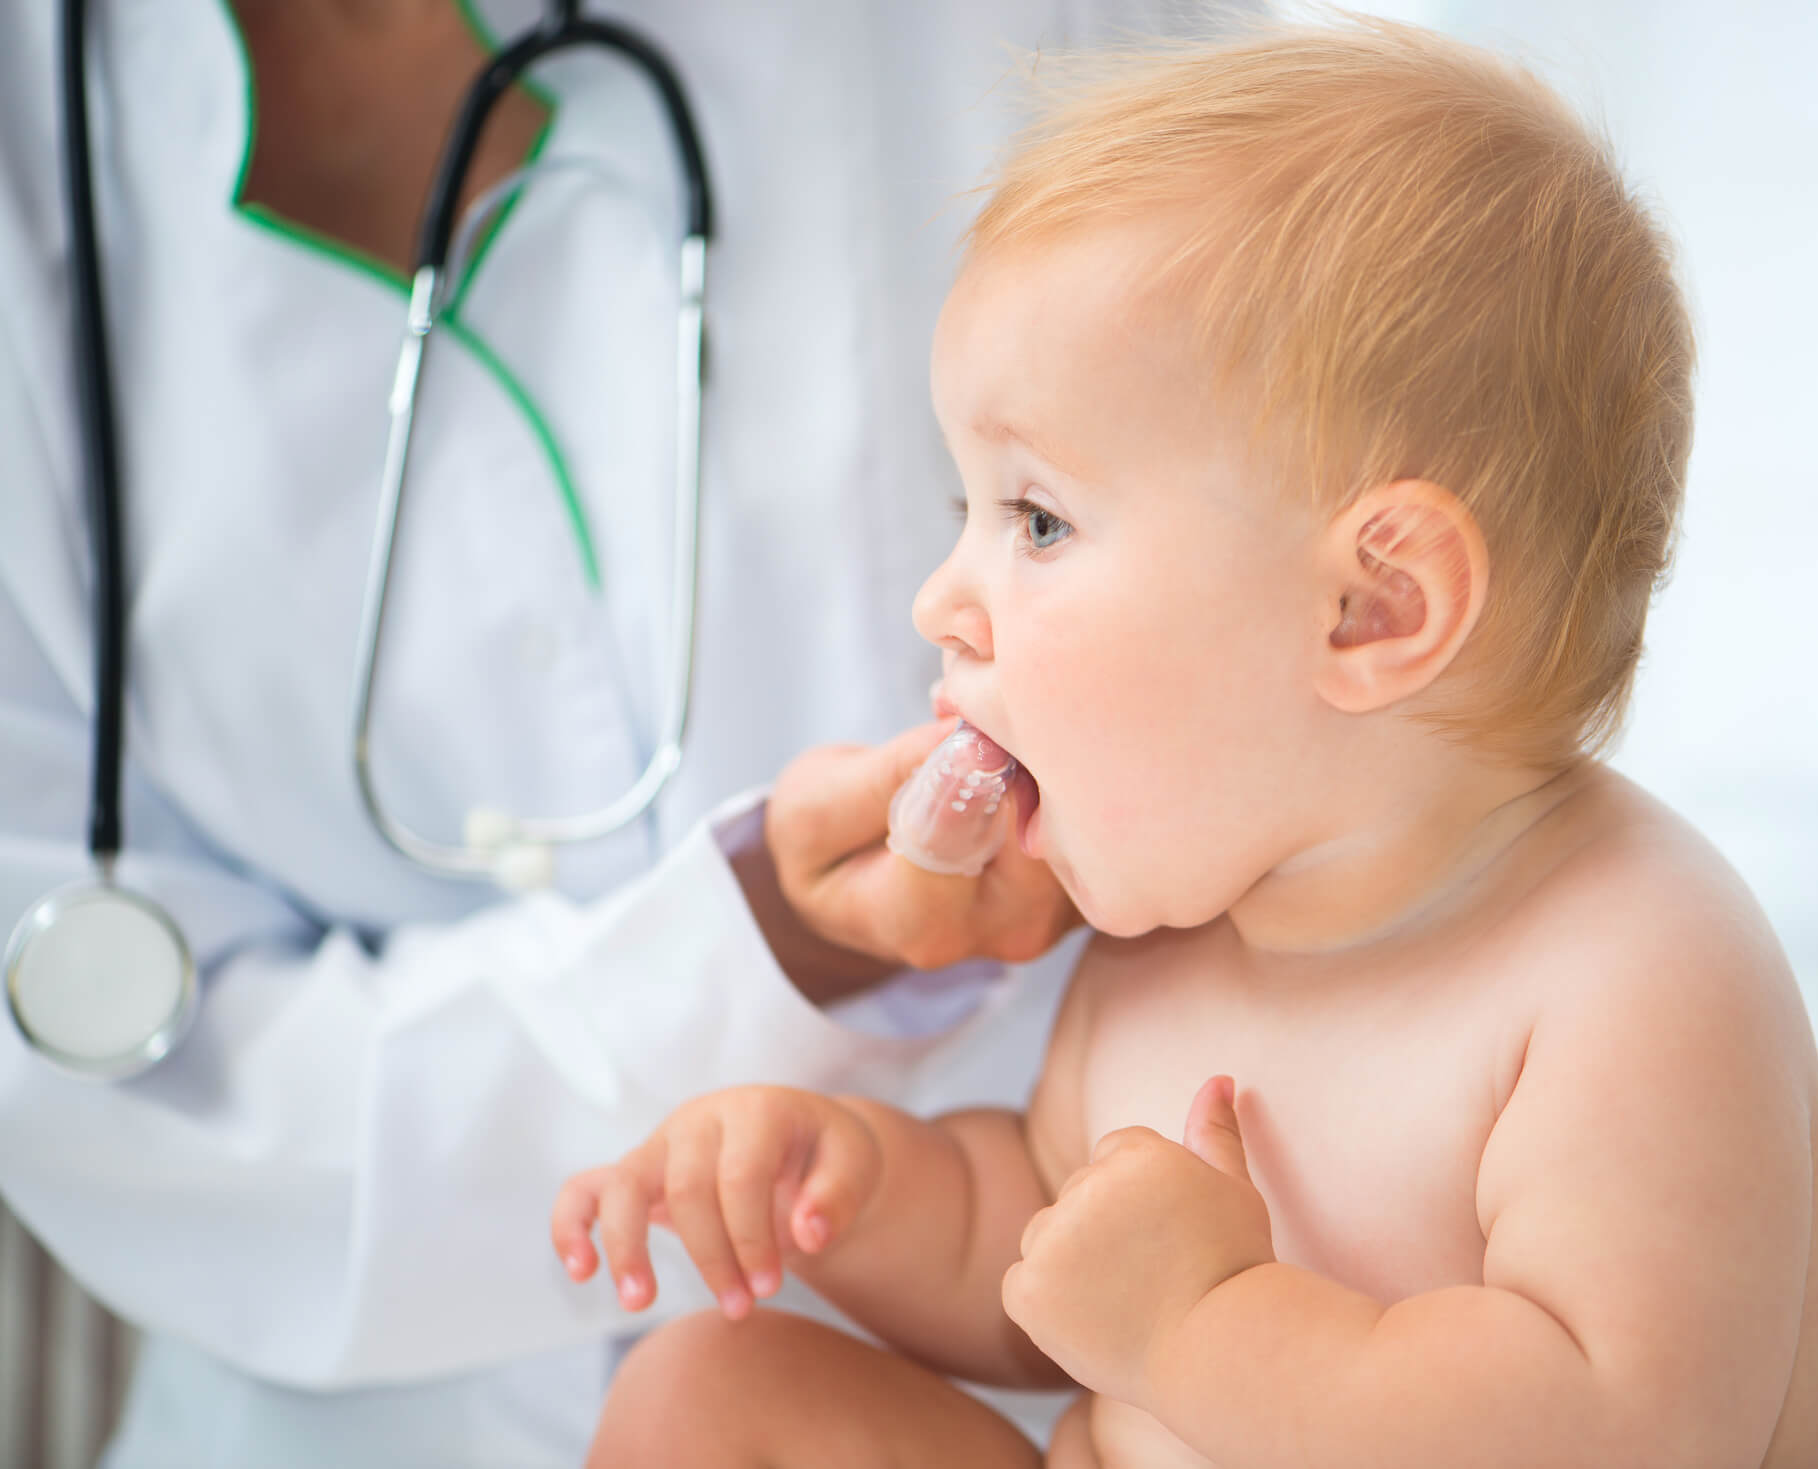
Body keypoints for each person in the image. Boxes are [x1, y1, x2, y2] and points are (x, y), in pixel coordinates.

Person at [552, 18, 1818, 1467]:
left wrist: (1199, 1326)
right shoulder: (1172, 937)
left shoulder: (1637, 969)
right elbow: (1039, 1244)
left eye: (1037, 519)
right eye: (966, 512)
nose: (945, 602)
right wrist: (849, 1184)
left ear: (1372, 607)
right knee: (708, 1394)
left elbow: (1616, 1432)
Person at [0, 1, 1197, 1464]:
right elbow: (109, 1093)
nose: (952, 593)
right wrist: (748, 944)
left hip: (1023, 1370)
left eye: (1026, 522)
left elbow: (1295, 506)